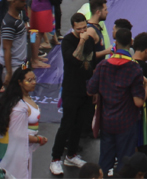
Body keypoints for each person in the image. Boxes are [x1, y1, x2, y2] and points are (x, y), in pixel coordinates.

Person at [87, 27, 144, 174]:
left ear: (115, 43)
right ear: (131, 42)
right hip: (126, 123)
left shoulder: (103, 65)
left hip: (107, 122)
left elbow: (90, 89)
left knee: (105, 161)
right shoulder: (134, 68)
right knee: (125, 165)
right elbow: (138, 102)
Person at [49, 13, 98, 175]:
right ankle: (55, 159)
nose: (83, 31)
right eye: (79, 29)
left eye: (85, 28)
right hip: (71, 89)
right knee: (67, 124)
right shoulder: (68, 41)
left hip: (85, 89)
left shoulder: (90, 40)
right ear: (73, 28)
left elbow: (90, 61)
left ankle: (71, 154)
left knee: (80, 124)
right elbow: (74, 59)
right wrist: (82, 40)